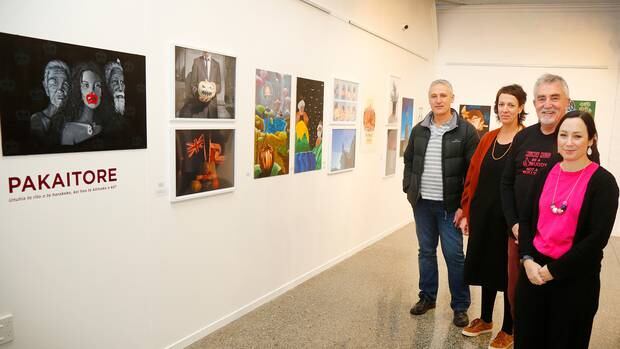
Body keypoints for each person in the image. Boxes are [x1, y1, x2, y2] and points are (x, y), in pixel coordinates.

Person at [515, 111, 618, 348]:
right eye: (563, 135)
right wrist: (527, 259)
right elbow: (527, 219)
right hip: (533, 273)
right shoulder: (545, 173)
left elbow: (596, 239)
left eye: (578, 136)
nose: (569, 142)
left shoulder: (603, 183)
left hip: (575, 279)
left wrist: (553, 271)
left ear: (591, 140)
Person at [403, 79, 479, 327]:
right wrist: (409, 189)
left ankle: (460, 306)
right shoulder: (419, 130)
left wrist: (464, 206)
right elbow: (409, 160)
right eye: (434, 95)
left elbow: (473, 172)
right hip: (423, 204)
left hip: (450, 208)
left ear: (452, 98)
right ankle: (427, 297)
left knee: (454, 255)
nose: (438, 100)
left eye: (443, 95)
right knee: (425, 252)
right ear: (429, 99)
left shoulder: (466, 131)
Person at [458, 85, 527, 348]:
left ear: (521, 107)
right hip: (484, 215)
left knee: (509, 274)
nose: (505, 109)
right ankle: (485, 319)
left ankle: (508, 328)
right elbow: (472, 176)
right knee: (486, 267)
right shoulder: (488, 138)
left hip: (511, 219)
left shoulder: (526, 140)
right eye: (501, 104)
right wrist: (466, 211)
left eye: (511, 104)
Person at [500, 73, 571, 321]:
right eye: (541, 98)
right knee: (517, 297)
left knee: (553, 305)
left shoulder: (574, 140)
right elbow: (506, 183)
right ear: (534, 104)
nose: (547, 104)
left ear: (567, 102)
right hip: (519, 235)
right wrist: (514, 225)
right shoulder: (524, 137)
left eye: (554, 97)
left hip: (558, 241)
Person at [60, 62, 104, 145]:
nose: (92, 92)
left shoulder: (102, 126)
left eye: (97, 86)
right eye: (86, 85)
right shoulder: (69, 131)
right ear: (79, 90)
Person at [30, 60, 70, 147]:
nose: (60, 90)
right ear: (46, 87)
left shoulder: (71, 118)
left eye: (65, 84)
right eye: (53, 84)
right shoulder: (37, 119)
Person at [178, 51, 221, 118]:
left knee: (212, 128)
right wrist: (199, 95)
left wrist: (214, 90)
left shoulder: (216, 64)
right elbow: (193, 84)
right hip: (198, 106)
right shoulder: (196, 61)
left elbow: (219, 85)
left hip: (212, 107)